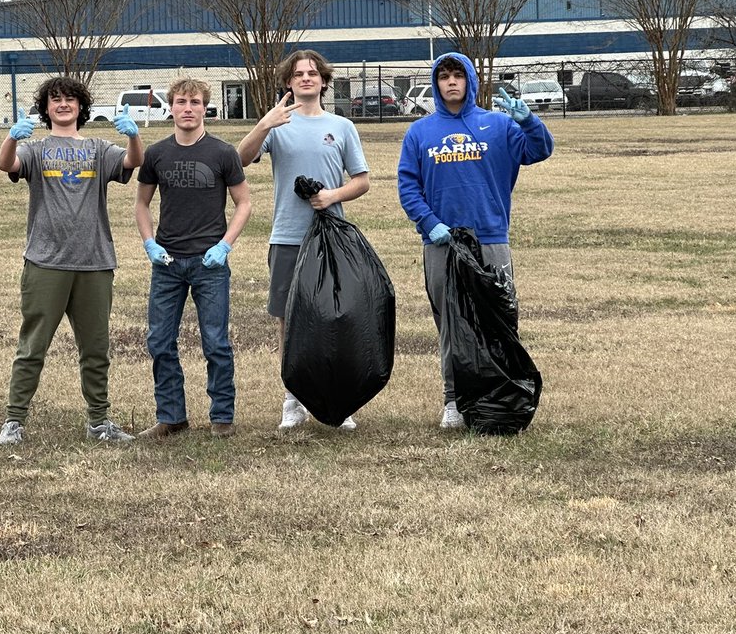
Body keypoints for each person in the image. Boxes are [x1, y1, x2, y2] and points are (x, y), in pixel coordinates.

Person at [397, 52, 554, 429]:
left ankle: (501, 392)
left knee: (499, 317)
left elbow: (540, 150)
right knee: (451, 321)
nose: (451, 82)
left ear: (470, 80)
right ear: (436, 84)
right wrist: (430, 224)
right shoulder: (420, 132)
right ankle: (455, 400)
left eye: (458, 75)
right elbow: (408, 185)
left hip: (490, 237)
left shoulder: (498, 126)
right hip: (442, 243)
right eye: (443, 76)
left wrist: (528, 122)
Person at [0, 76, 143, 445]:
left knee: (95, 348)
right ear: (45, 108)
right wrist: (14, 136)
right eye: (55, 100)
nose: (63, 104)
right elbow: (6, 165)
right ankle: (14, 421)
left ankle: (99, 421)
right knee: (33, 346)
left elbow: (132, 162)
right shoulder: (37, 149)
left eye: (70, 99)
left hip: (94, 262)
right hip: (46, 261)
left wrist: (133, 135)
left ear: (81, 107)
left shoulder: (97, 147)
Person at [237, 49, 371, 432]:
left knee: (333, 318)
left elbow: (361, 181)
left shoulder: (342, 126)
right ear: (288, 82)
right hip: (287, 237)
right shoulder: (277, 125)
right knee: (289, 321)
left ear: (324, 81)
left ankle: (337, 400)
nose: (306, 78)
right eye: (298, 74)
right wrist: (264, 124)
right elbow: (240, 159)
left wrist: (332, 196)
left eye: (313, 73)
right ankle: (293, 399)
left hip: (331, 240)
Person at [134, 77, 252, 439]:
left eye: (196, 102)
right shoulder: (157, 154)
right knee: (159, 341)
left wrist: (225, 245)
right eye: (182, 101)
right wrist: (149, 243)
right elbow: (141, 203)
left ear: (205, 108)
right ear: (171, 106)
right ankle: (171, 416)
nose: (188, 108)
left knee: (215, 340)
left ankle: (222, 417)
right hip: (167, 263)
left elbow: (244, 203)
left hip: (210, 264)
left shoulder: (222, 153)